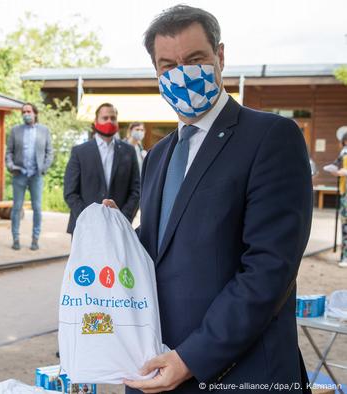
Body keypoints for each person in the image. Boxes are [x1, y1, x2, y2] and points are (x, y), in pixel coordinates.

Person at [115, 5, 312, 393]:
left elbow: (269, 268)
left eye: (195, 59)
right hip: (161, 365)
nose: (181, 73)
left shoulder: (271, 137)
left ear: (220, 57)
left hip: (241, 372)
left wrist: (191, 358)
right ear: (155, 71)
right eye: (167, 64)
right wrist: (114, 236)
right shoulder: (158, 154)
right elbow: (161, 245)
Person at [64, 103, 140, 234]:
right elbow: (70, 192)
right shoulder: (80, 152)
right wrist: (88, 218)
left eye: (113, 118)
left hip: (118, 227)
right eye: (105, 118)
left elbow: (136, 190)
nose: (109, 121)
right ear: (96, 121)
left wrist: (123, 217)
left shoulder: (129, 151)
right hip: (85, 227)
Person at [5, 103, 54, 250]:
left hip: (36, 175)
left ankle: (35, 239)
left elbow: (49, 152)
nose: (26, 114)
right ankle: (15, 239)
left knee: (37, 208)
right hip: (19, 174)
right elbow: (9, 153)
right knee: (17, 207)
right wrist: (11, 166)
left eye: (29, 111)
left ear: (35, 113)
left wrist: (44, 168)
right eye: (24, 112)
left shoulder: (44, 131)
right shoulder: (15, 131)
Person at [326, 132, 347, 268]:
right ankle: (345, 255)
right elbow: (335, 165)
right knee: (345, 224)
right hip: (345, 192)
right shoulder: (343, 153)